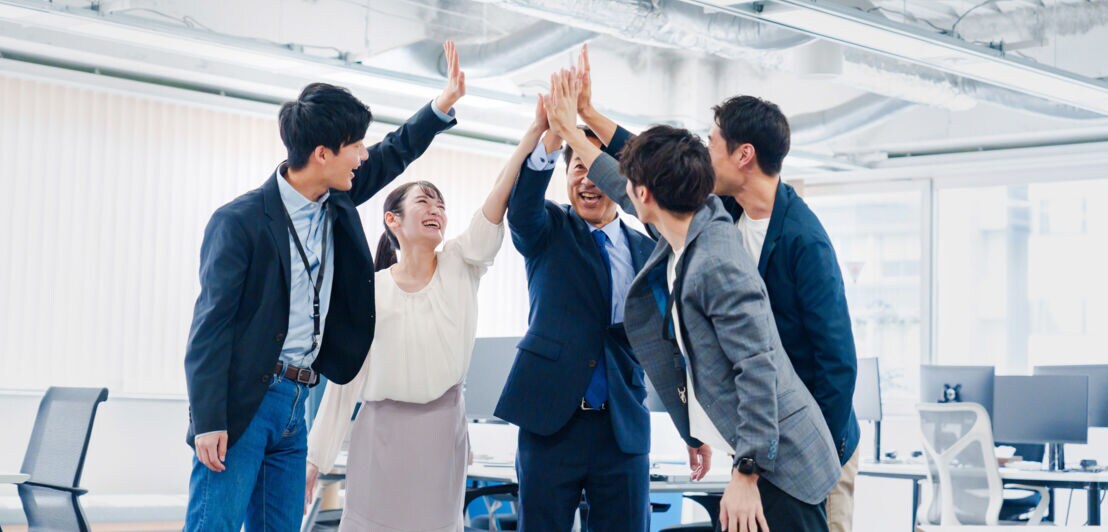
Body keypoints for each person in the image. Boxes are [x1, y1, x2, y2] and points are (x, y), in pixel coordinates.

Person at [569, 44, 862, 531]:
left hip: (810, 444)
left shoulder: (803, 241)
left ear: (743, 155)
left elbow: (837, 362)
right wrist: (587, 118)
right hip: (761, 435)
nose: (703, 155)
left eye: (712, 143)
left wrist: (803, 455)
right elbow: (655, 173)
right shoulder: (722, 213)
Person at [182, 42, 464, 531]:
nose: (363, 155)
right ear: (322, 154)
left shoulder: (339, 198)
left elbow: (395, 151)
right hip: (245, 401)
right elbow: (211, 326)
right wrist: (208, 419)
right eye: (355, 146)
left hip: (298, 400)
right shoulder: (240, 222)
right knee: (215, 525)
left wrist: (443, 104)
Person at [303, 98, 550, 531]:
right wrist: (314, 461)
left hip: (441, 435)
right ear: (393, 220)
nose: (436, 209)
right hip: (379, 436)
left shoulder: (462, 263)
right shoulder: (370, 289)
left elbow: (498, 197)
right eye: (424, 201)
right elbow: (343, 385)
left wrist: (533, 134)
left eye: (441, 204)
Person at [607, 120, 840, 532]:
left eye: (632, 185)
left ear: (644, 194)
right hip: (760, 456)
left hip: (782, 468)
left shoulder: (713, 262)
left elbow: (757, 367)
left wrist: (746, 472)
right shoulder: (697, 232)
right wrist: (573, 131)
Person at [491, 77, 665, 530]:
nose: (589, 181)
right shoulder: (548, 229)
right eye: (579, 170)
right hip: (551, 421)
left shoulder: (648, 250)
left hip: (622, 426)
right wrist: (552, 135)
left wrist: (692, 427)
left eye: (598, 171)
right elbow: (522, 206)